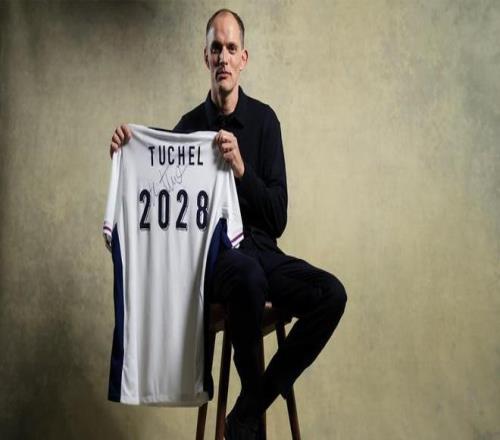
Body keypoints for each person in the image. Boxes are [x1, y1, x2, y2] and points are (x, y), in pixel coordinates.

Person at [109, 9, 347, 439]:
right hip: (216, 261)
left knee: (331, 294)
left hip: (263, 251)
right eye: (215, 48)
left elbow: (277, 217)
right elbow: (158, 194)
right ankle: (250, 418)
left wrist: (241, 170)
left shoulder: (265, 121)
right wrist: (129, 151)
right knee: (247, 276)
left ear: (243, 58)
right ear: (205, 57)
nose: (223, 56)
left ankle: (248, 409)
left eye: (231, 48)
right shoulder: (187, 129)